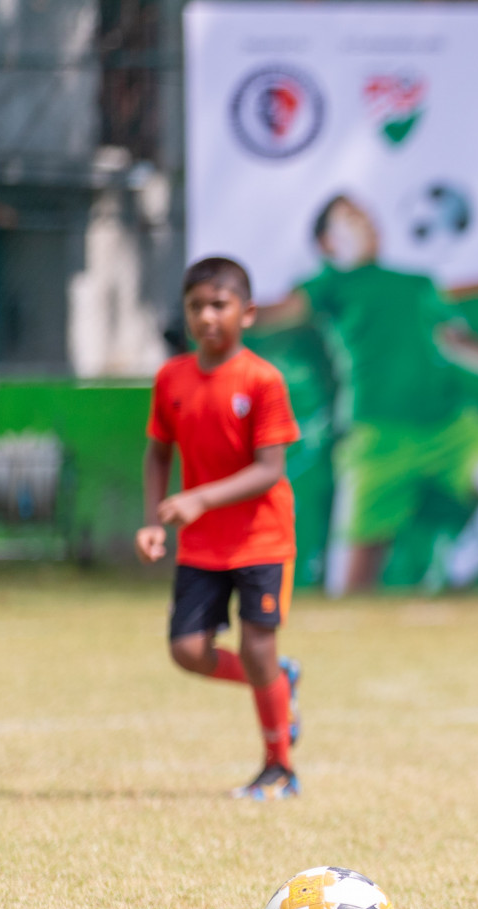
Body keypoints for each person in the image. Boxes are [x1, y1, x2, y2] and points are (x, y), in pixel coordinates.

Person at [258, 194, 478, 595]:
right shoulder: (329, 285)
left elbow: (454, 340)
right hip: (376, 441)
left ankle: (455, 575)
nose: (366, 222)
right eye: (351, 218)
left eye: (367, 214)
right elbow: (281, 313)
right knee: (347, 595)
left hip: (450, 427)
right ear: (328, 243)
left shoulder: (416, 284)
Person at [137, 257, 304, 800]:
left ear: (248, 313)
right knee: (187, 649)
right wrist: (153, 520)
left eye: (219, 305)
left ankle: (279, 767)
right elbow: (158, 452)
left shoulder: (261, 380)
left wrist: (199, 498)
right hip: (202, 544)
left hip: (261, 538)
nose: (207, 317)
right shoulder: (172, 378)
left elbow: (269, 469)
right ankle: (279, 680)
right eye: (196, 307)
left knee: (256, 647)